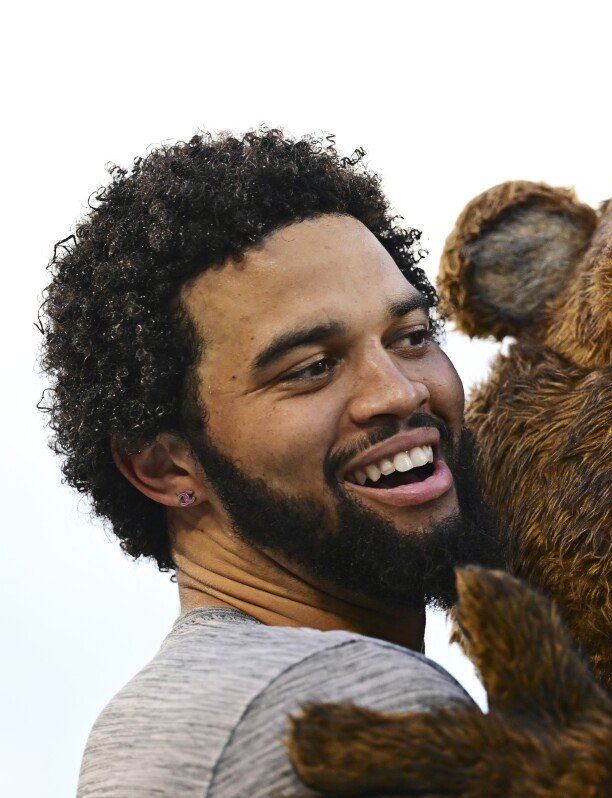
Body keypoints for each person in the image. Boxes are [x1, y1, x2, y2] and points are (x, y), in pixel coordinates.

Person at [40, 129, 503, 797]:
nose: (400, 392)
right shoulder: (355, 710)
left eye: (411, 337)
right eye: (313, 369)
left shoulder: (169, 712)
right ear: (165, 467)